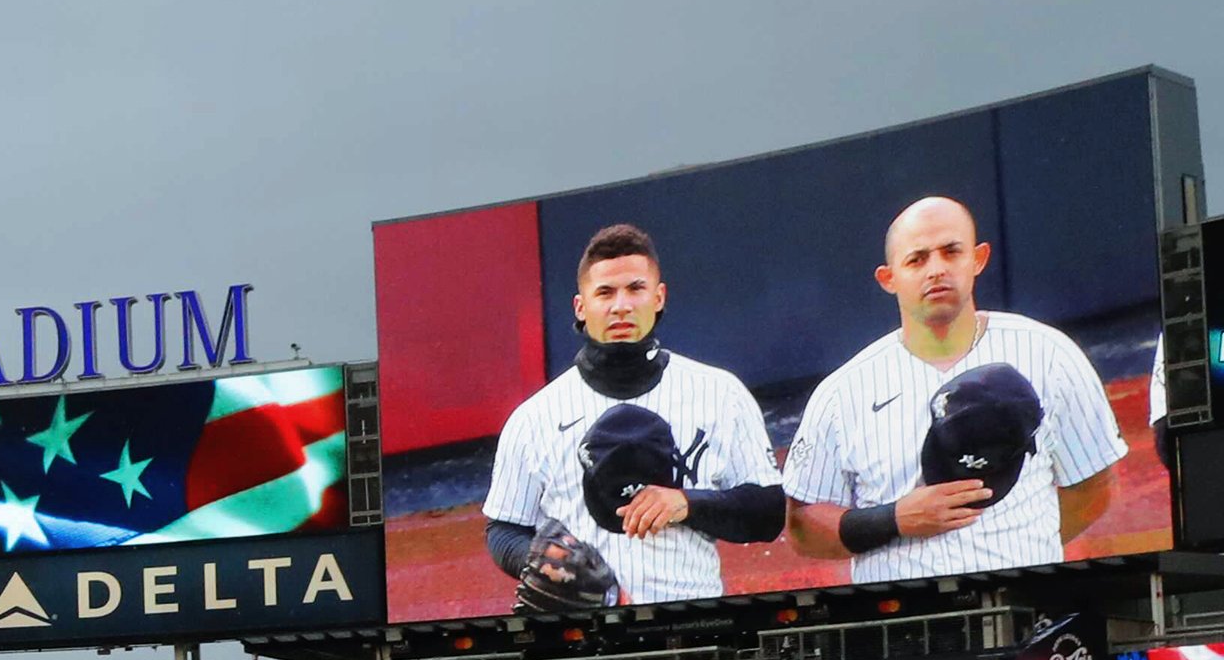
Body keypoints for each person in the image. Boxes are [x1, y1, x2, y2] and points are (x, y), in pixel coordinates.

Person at [785, 197, 1126, 583]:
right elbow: (803, 526)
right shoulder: (843, 393)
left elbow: (1093, 486)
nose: (937, 270)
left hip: (1026, 611)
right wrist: (894, 519)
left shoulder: (1049, 355)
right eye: (917, 259)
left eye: (951, 252)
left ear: (978, 258)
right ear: (888, 278)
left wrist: (1021, 552)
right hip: (906, 624)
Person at [481, 224, 784, 609]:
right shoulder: (534, 418)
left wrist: (687, 504)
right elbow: (504, 528)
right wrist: (556, 566)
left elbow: (768, 513)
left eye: (635, 289)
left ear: (659, 297)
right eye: (605, 292)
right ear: (580, 306)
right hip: (583, 634)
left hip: (692, 624)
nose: (620, 305)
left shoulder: (720, 394)